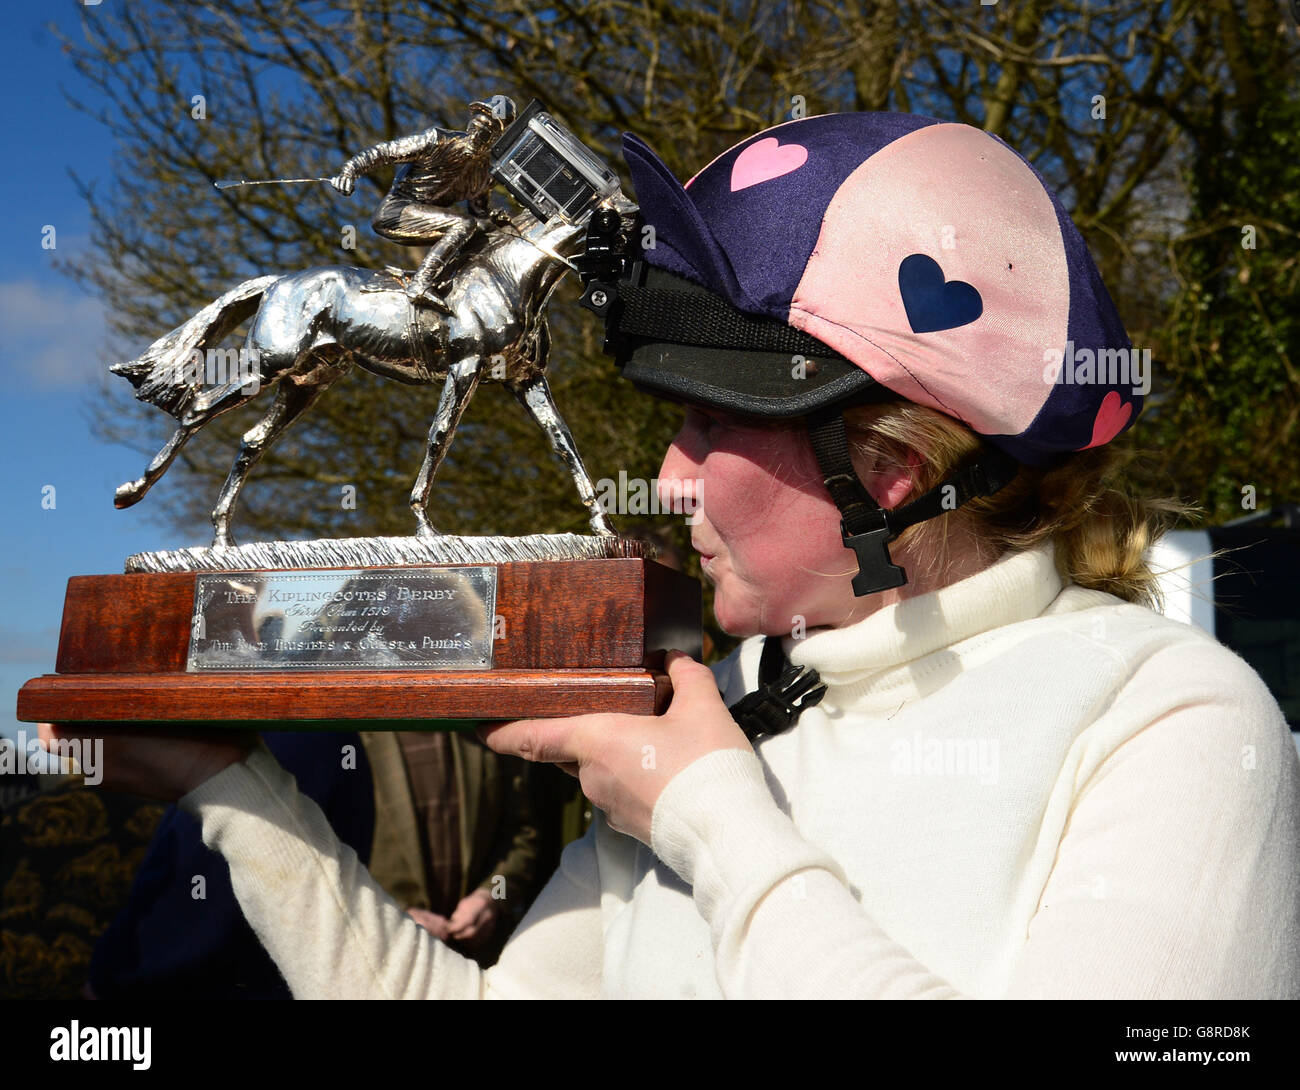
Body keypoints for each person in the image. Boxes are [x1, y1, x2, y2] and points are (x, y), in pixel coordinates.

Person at [43, 110, 1300, 998]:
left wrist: (710, 820)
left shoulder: (1169, 715)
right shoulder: (736, 708)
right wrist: (229, 791)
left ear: (885, 472)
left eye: (708, 424)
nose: (667, 476)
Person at [330, 96, 517, 310]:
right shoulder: (437, 140)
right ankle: (420, 284)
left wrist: (493, 218)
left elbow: (479, 212)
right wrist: (350, 171)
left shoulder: (485, 174)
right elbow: (384, 152)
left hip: (427, 219)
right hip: (396, 212)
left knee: (482, 233)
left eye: (488, 133)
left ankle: (456, 283)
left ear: (495, 138)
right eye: (477, 126)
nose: (478, 135)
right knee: (463, 225)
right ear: (471, 123)